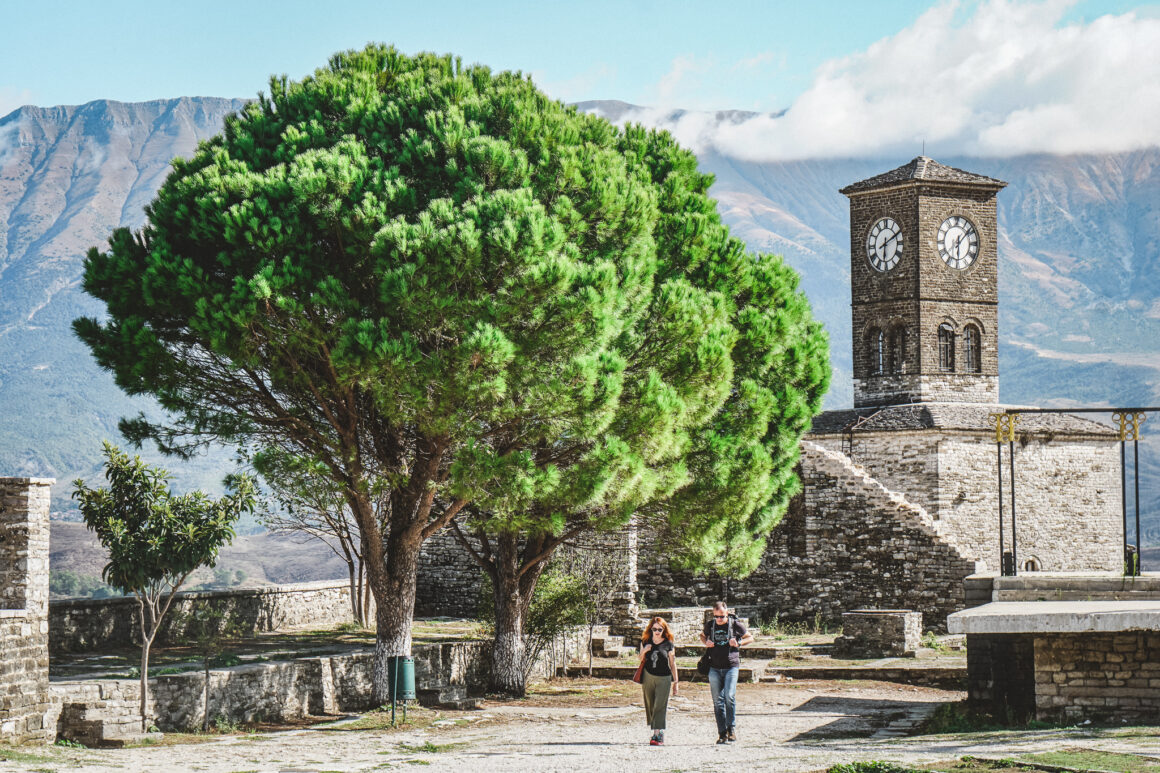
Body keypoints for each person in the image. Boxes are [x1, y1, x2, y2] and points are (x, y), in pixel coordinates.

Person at [699, 601, 753, 744]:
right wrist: (706, 643)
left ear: (727, 613)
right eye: (716, 616)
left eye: (721, 616)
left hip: (731, 666)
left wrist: (739, 644)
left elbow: (750, 637)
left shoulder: (735, 624)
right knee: (717, 701)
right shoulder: (710, 625)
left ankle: (731, 729)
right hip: (714, 667)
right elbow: (702, 635)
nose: (719, 619)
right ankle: (722, 733)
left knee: (729, 696)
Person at [638, 615, 679, 745]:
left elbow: (673, 664)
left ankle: (656, 735)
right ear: (650, 629)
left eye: (659, 629)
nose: (656, 632)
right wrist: (644, 650)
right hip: (648, 676)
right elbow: (640, 659)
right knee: (650, 705)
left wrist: (676, 682)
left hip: (664, 678)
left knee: (659, 706)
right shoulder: (645, 641)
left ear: (664, 630)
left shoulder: (668, 644)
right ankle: (658, 729)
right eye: (654, 629)